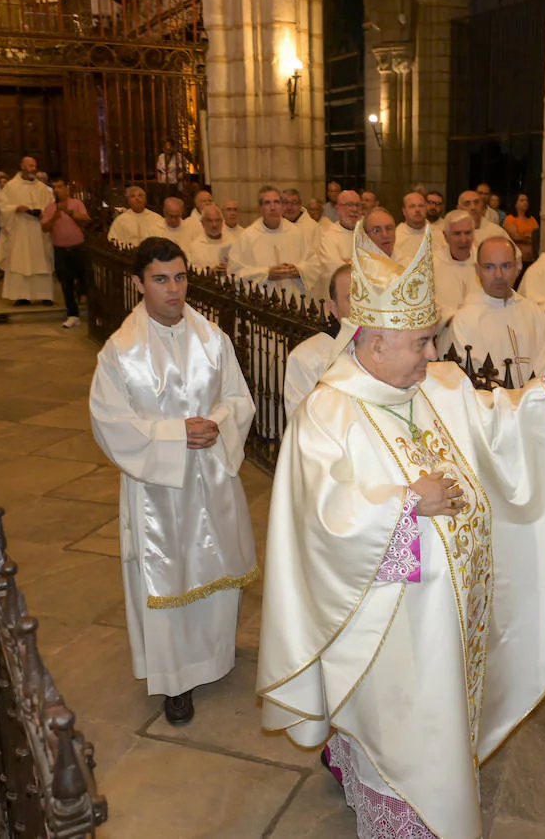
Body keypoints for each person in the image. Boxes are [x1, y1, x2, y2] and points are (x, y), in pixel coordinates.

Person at [258, 224, 545, 839]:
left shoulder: (439, 384)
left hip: (457, 610)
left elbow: (502, 428)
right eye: (419, 342)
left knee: (446, 718)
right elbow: (320, 519)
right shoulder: (329, 410)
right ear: (375, 339)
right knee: (401, 730)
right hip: (392, 623)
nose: (430, 353)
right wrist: (406, 503)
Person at [89, 237, 255, 726]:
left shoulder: (213, 339)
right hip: (157, 488)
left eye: (180, 277)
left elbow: (238, 397)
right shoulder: (120, 352)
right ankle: (175, 680)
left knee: (215, 565)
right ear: (138, 282)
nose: (174, 289)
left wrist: (218, 424)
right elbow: (109, 422)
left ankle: (214, 657)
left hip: (213, 474)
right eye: (160, 279)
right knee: (166, 577)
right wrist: (173, 435)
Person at [445, 237, 545, 387]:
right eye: (489, 267)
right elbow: (469, 378)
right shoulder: (465, 319)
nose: (498, 275)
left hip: (534, 404)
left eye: (506, 266)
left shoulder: (533, 312)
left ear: (517, 267)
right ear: (478, 270)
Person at [283, 264, 350, 421]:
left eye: (369, 298)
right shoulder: (306, 357)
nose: (364, 307)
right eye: (353, 298)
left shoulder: (392, 351)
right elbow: (301, 427)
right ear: (333, 308)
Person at [228, 185, 310, 300]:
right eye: (267, 203)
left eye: (276, 202)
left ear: (282, 206)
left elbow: (313, 264)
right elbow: (235, 274)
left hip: (294, 302)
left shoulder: (296, 233)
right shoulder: (248, 236)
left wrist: (298, 271)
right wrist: (267, 274)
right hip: (263, 303)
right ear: (260, 208)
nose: (273, 207)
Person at [0, 156, 56, 305]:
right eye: (29, 165)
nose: (33, 168)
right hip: (20, 229)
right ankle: (21, 296)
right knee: (20, 261)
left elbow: (51, 206)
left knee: (41, 260)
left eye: (34, 166)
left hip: (38, 230)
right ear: (22, 166)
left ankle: (45, 295)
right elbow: (3, 206)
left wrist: (42, 212)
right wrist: (16, 208)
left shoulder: (42, 188)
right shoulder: (11, 186)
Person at [41, 178, 90, 328]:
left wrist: (69, 213)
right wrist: (55, 217)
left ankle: (93, 312)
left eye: (60, 187)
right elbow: (44, 228)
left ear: (67, 189)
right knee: (66, 283)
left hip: (78, 248)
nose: (57, 190)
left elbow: (86, 219)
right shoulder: (49, 208)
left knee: (86, 280)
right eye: (54, 187)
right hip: (60, 250)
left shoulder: (76, 203)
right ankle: (72, 314)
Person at [308, 189, 360, 301]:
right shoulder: (329, 237)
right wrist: (360, 266)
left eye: (357, 205)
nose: (354, 209)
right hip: (339, 301)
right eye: (349, 205)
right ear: (338, 208)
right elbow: (334, 270)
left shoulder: (366, 234)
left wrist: (349, 263)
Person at [431, 210, 478, 321]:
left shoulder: (485, 263)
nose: (463, 239)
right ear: (445, 236)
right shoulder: (431, 265)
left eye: (468, 233)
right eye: (457, 234)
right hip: (445, 332)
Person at [184, 203, 232, 271]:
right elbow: (191, 271)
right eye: (210, 221)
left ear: (222, 222)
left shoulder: (232, 242)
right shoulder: (194, 247)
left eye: (217, 220)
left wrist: (230, 267)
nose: (214, 225)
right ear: (202, 223)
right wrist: (210, 272)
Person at [391, 191, 431, 263]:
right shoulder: (395, 237)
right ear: (404, 211)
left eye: (421, 206)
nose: (417, 210)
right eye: (412, 206)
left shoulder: (439, 234)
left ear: (426, 208)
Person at [501, 192, 538, 262]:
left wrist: (524, 235)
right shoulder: (510, 219)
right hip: (516, 257)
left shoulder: (532, 219)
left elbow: (537, 237)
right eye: (522, 200)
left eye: (526, 200)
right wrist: (529, 236)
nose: (525, 202)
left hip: (532, 258)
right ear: (515, 203)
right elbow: (516, 237)